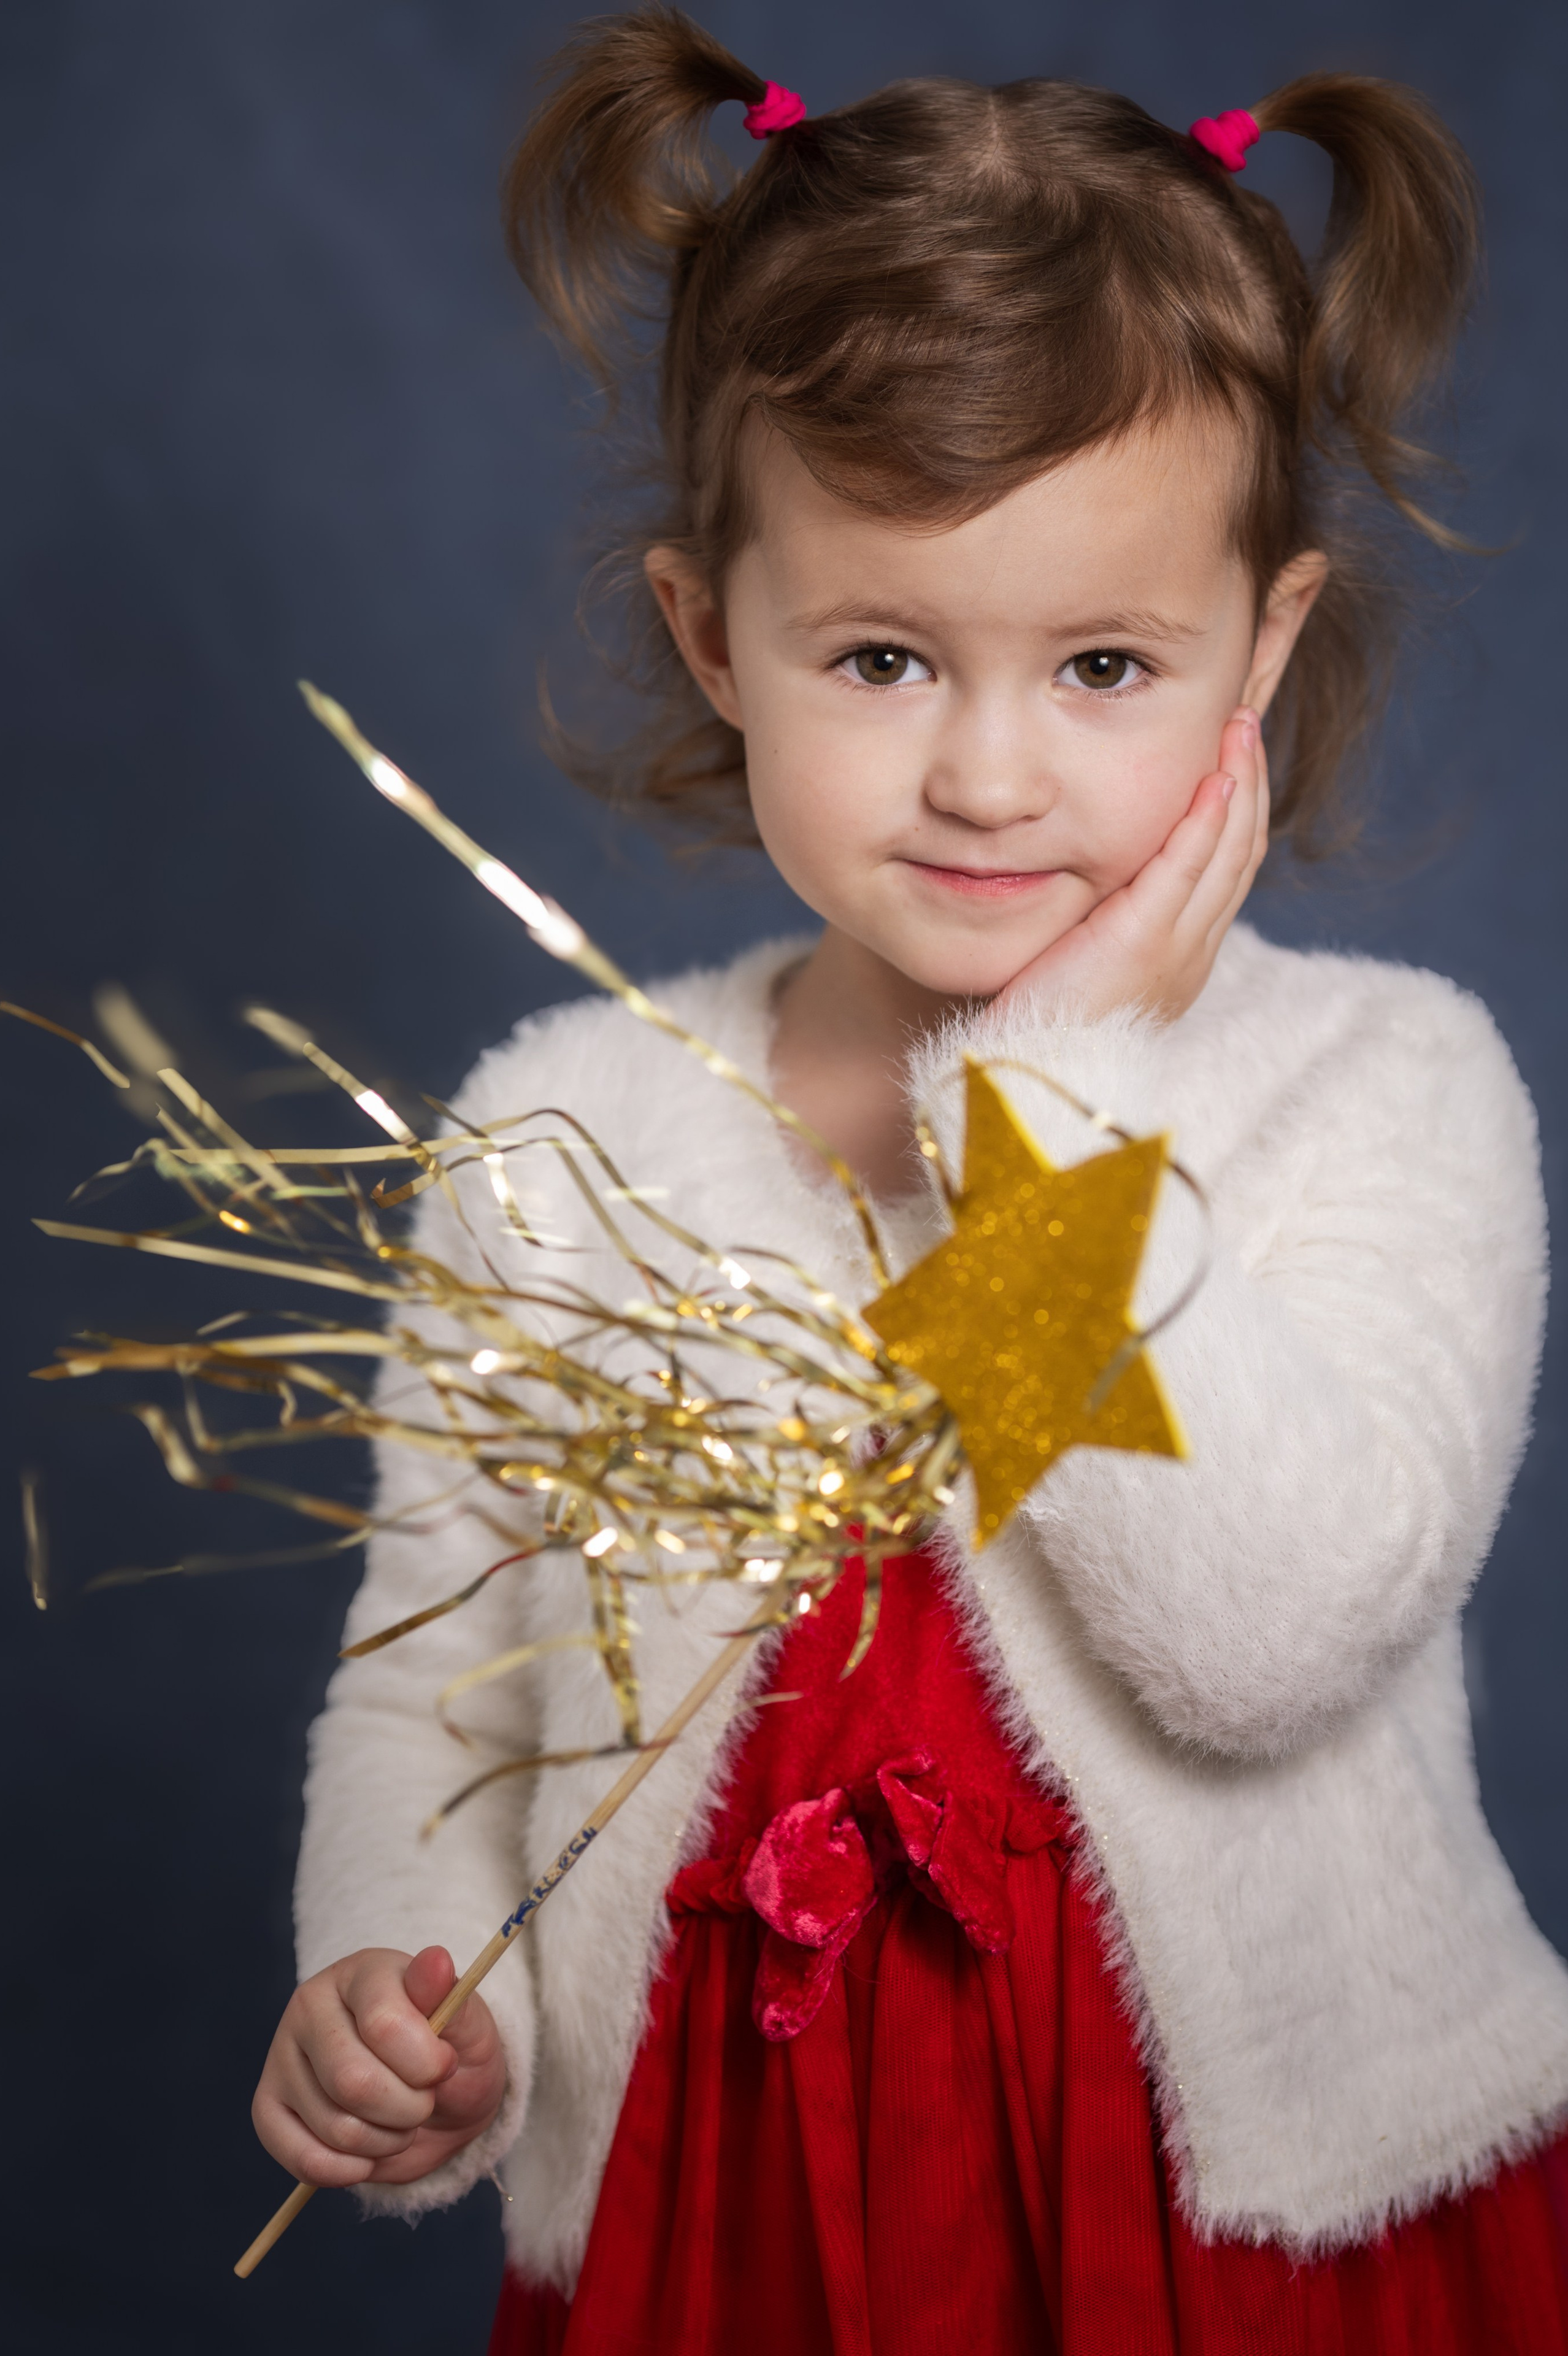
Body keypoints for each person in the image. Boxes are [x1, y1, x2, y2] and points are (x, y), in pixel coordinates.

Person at [252, 10, 1568, 2348]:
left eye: (1100, 661)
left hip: (1246, 2236)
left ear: (1260, 649)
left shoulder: (1388, 1089)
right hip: (736, 2207)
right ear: (710, 637)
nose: (984, 774)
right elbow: (441, 1683)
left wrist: (1045, 1099)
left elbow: (1258, 1643)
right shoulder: (563, 1139)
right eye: (876, 653)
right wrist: (408, 1968)